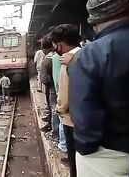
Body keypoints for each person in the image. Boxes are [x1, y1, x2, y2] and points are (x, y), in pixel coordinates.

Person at [68, 0, 129, 176]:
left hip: (108, 158)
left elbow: (85, 121)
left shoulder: (90, 56)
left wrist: (85, 148)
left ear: (97, 19)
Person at [51, 24, 81, 177]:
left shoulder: (66, 61)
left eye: (54, 44)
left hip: (71, 119)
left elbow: (64, 94)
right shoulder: (86, 54)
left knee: (74, 158)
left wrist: (59, 109)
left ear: (59, 44)